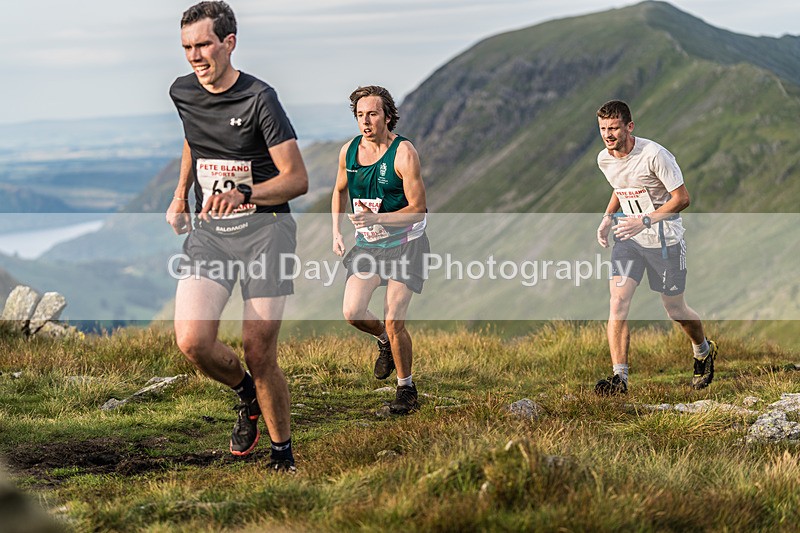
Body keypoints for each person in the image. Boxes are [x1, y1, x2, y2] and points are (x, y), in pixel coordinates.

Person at [165, 1, 308, 471]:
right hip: (213, 235)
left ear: (229, 42)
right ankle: (246, 394)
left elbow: (296, 179)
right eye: (187, 46)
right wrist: (180, 193)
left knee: (258, 348)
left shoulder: (260, 99)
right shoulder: (182, 91)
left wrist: (246, 192)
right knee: (192, 340)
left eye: (203, 44)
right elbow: (193, 136)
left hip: (267, 234)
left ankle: (282, 455)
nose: (194, 56)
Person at [594, 100, 717, 395]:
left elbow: (682, 198)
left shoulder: (655, 155)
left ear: (629, 127)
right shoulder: (604, 159)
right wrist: (608, 217)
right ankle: (619, 379)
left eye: (613, 128)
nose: (608, 135)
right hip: (629, 238)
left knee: (674, 308)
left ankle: (702, 350)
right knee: (618, 301)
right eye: (602, 129)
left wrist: (645, 221)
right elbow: (620, 185)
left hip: (665, 241)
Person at [331, 85, 429, 414]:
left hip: (406, 244)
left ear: (387, 116)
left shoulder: (404, 153)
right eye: (360, 115)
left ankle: (406, 389)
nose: (366, 121)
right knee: (353, 312)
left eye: (372, 114)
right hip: (369, 246)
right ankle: (384, 341)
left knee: (394, 319)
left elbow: (419, 208)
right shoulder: (349, 151)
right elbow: (339, 190)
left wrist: (378, 216)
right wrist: (336, 231)